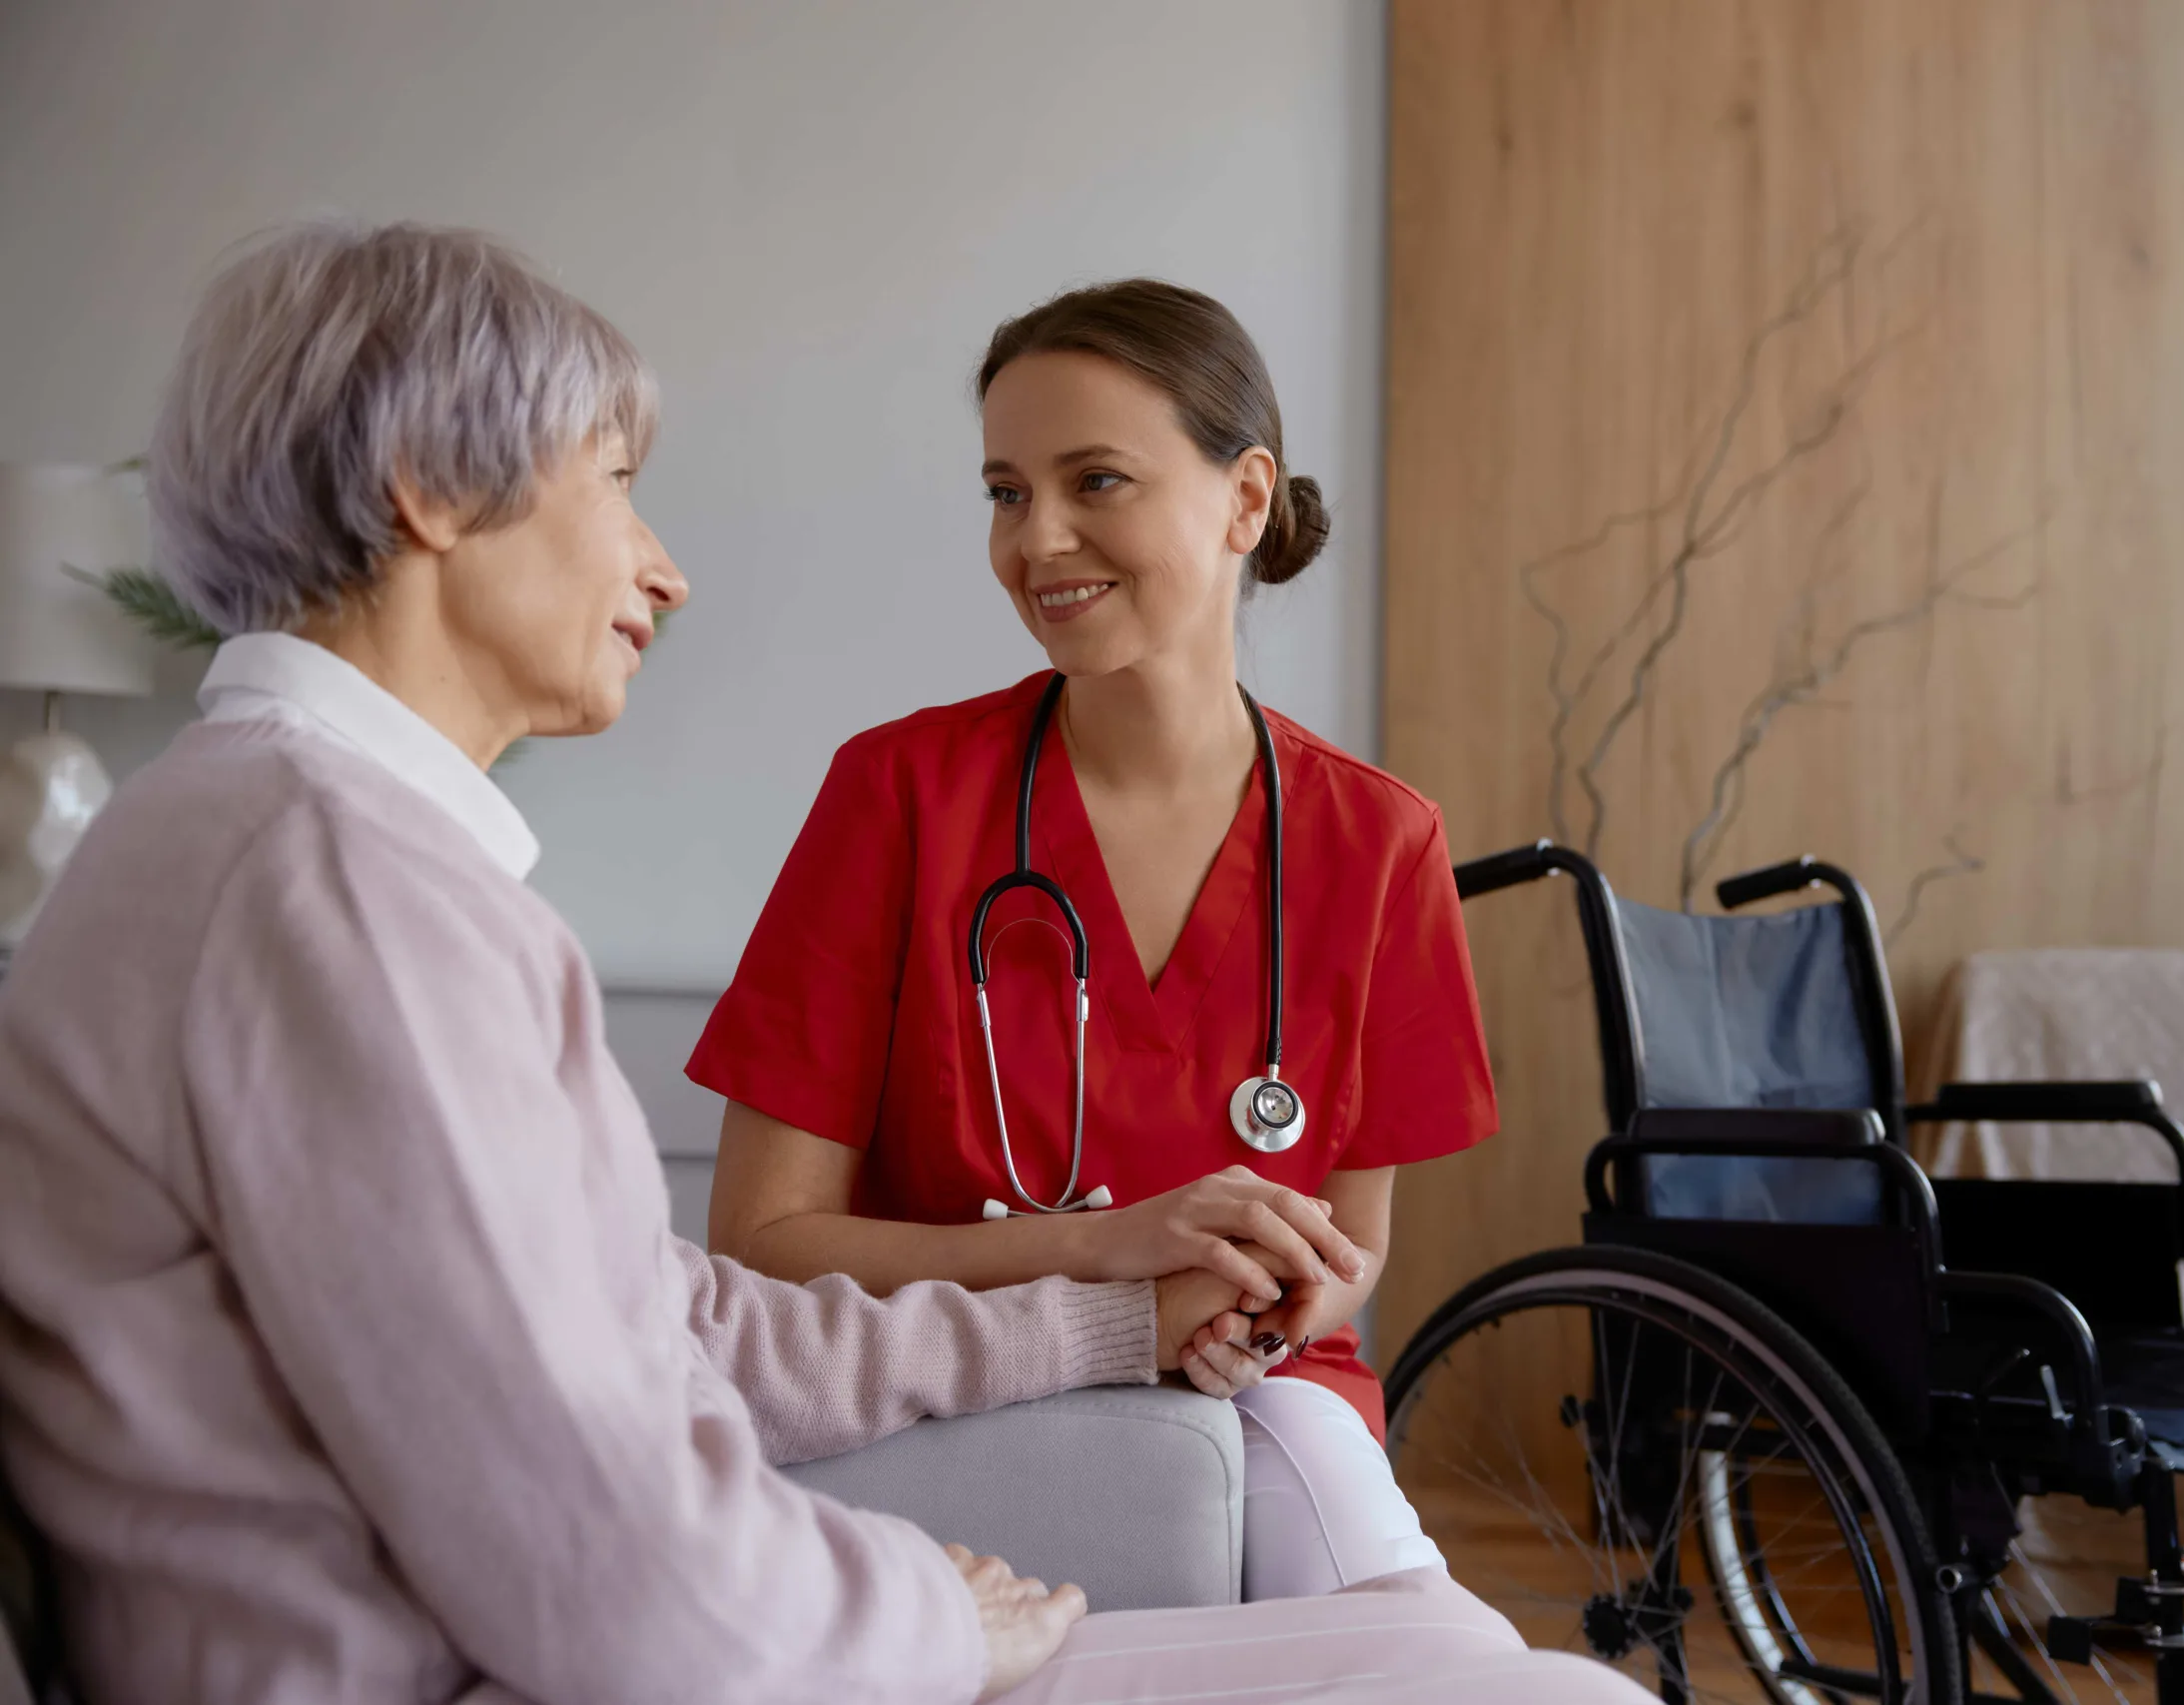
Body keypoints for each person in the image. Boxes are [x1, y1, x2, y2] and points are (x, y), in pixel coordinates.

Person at [0, 219, 1649, 1705]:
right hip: (585, 1651)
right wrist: (926, 1609)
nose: (664, 566)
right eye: (616, 485)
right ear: (430, 489)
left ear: (1243, 496)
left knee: (1454, 1650)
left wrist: (1112, 1326)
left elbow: (659, 1328)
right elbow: (612, 1554)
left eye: (1095, 481)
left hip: (684, 1604)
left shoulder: (325, 856)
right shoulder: (334, 885)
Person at [692, 279, 1493, 1603]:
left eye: (1096, 480)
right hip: (952, 1392)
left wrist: (1266, 1309)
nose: (1035, 539)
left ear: (1245, 501)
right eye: (1005, 492)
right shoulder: (897, 797)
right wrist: (1117, 1255)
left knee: (1392, 1607)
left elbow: (1355, 1244)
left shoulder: (1380, 844)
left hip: (1259, 1402)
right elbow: (763, 1242)